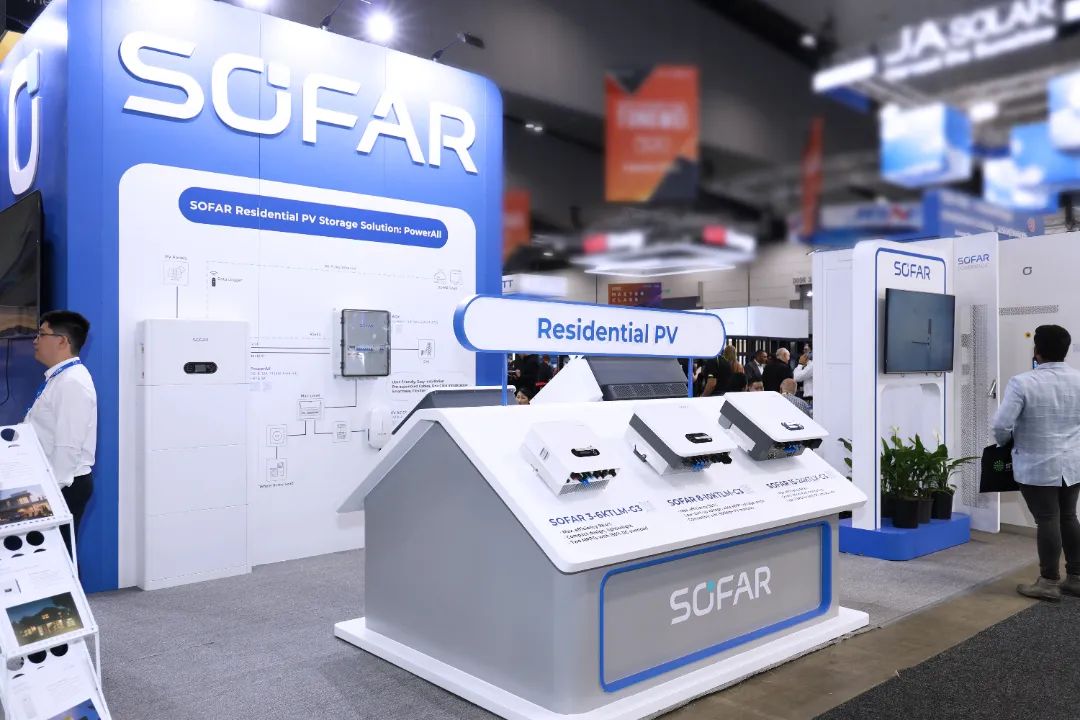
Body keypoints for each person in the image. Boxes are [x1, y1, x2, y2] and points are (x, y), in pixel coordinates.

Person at [991, 325, 1080, 602]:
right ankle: (1076, 578)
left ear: (1037, 350)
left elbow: (1001, 425)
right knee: (1069, 516)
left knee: (1047, 519)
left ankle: (1048, 582)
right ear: (1065, 350)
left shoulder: (1023, 382)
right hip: (1073, 464)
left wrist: (1006, 443)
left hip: (1037, 464)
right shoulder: (1078, 379)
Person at [26, 311, 97, 556]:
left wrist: (50, 496)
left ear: (62, 341)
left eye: (41, 334)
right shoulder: (60, 378)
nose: (35, 340)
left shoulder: (72, 382)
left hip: (63, 484)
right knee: (52, 556)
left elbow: (67, 446)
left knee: (60, 558)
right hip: (56, 482)